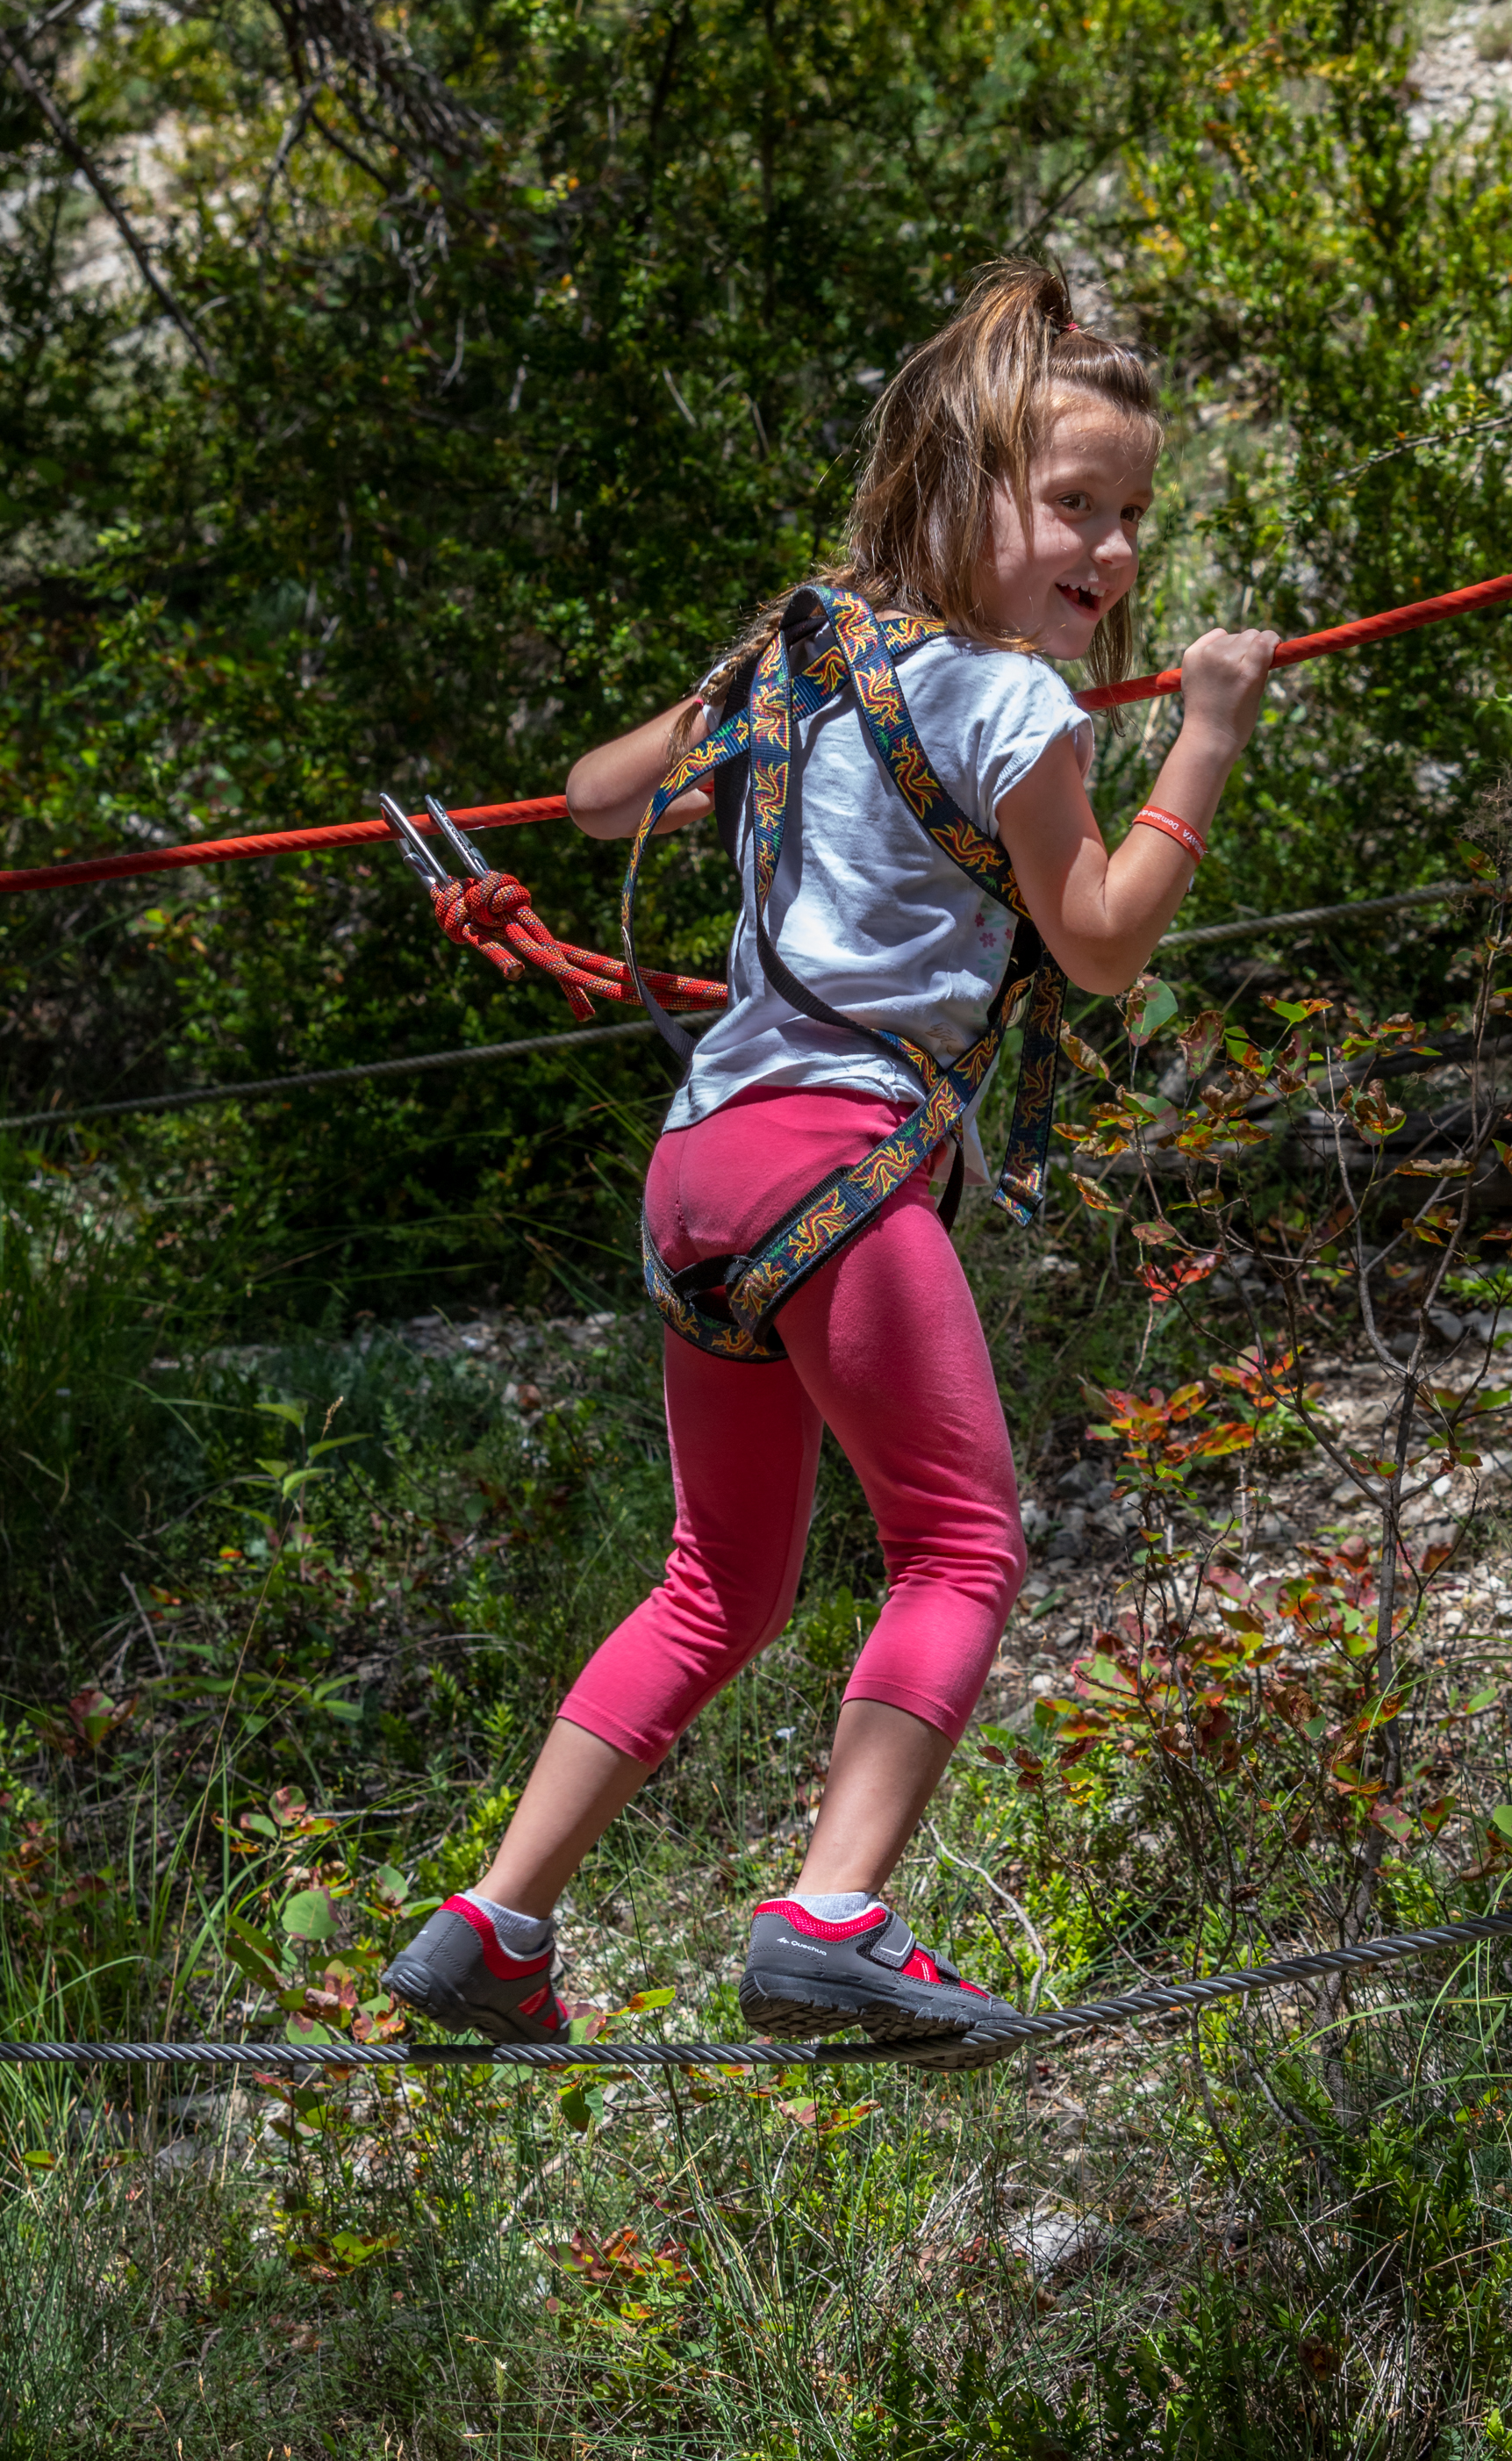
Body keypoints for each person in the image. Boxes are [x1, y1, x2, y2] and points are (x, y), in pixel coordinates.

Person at [384, 259, 1277, 2050]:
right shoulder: (1013, 703)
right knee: (960, 1543)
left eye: (1130, 517)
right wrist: (1205, 738)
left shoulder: (808, 652)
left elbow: (599, 798)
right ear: (964, 490)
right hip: (842, 1167)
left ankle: (497, 1924)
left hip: (705, 1168)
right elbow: (1102, 943)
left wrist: (747, 708)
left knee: (721, 1580)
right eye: (1074, 505)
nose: (1110, 552)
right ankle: (832, 1913)